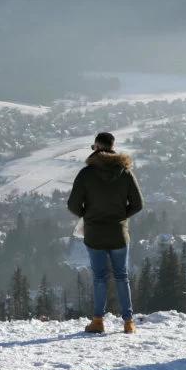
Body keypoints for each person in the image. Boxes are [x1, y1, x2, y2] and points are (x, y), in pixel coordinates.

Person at [67, 132, 144, 334]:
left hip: (94, 234)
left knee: (99, 277)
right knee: (122, 276)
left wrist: (88, 215)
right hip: (119, 233)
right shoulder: (125, 172)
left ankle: (98, 321)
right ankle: (128, 322)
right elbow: (138, 204)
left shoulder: (86, 173)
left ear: (97, 148)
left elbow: (73, 204)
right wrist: (121, 216)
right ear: (113, 147)